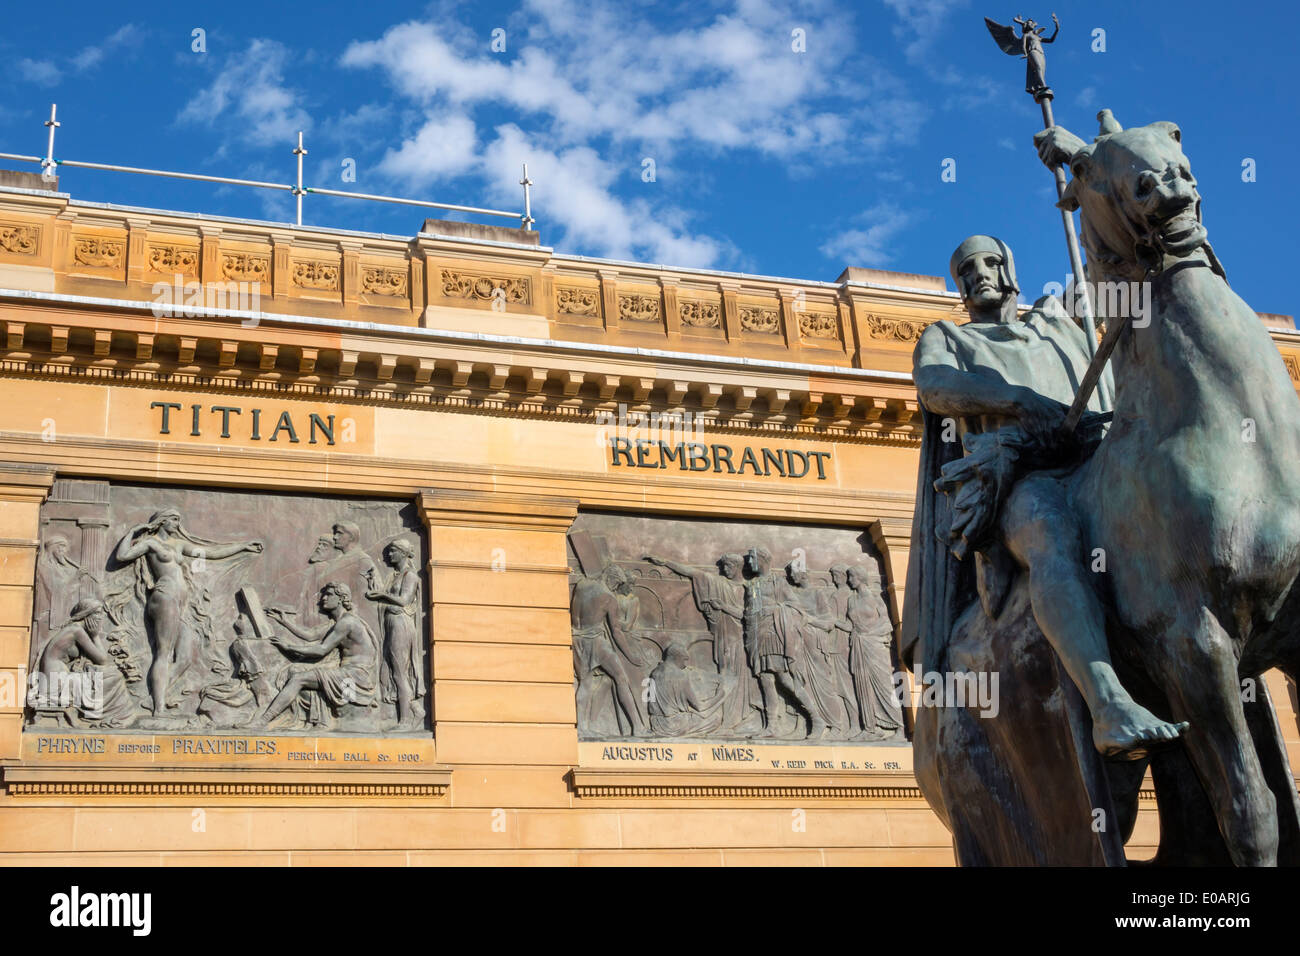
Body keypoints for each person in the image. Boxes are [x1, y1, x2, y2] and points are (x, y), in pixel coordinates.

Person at [903, 235, 1185, 757]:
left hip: (1098, 457)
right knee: (1050, 533)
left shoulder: (1062, 322)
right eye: (965, 269)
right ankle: (1109, 705)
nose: (978, 274)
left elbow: (1116, 270)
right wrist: (1018, 401)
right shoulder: (945, 336)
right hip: (1020, 476)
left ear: (1010, 267)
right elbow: (934, 387)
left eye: (990, 261)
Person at [113, 508, 262, 716]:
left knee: (185, 658)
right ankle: (159, 709)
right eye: (174, 519)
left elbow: (210, 553)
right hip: (164, 596)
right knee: (163, 654)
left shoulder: (179, 545)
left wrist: (242, 547)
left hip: (180, 603)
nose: (178, 524)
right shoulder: (151, 544)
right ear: (162, 522)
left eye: (178, 520)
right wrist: (134, 531)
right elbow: (122, 555)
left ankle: (154, 697)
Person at [643, 552, 752, 732]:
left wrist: (723, 607)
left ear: (739, 566)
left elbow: (747, 616)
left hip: (739, 640)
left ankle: (734, 719)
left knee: (736, 676)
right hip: (724, 638)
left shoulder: (748, 589)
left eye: (729, 566)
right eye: (723, 566)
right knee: (725, 673)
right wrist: (667, 561)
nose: (725, 569)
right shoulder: (719, 583)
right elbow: (695, 573)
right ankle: (727, 718)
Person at [254, 583, 378, 727]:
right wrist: (285, 622)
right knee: (297, 670)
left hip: (355, 675)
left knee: (298, 679)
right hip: (347, 672)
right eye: (324, 595)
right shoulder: (337, 622)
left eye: (329, 594)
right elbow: (311, 636)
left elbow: (322, 650)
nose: (323, 598)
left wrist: (288, 647)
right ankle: (318, 721)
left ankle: (263, 721)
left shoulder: (346, 622)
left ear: (341, 599)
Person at [743, 548, 825, 739]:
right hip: (758, 636)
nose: (749, 564)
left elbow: (794, 606)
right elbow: (751, 609)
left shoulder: (778, 582)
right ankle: (772, 726)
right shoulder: (753, 585)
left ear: (763, 559)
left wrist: (774, 610)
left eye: (752, 559)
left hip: (775, 633)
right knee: (766, 680)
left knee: (785, 679)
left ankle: (816, 718)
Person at [571, 565, 650, 736]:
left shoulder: (582, 585)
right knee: (621, 678)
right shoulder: (608, 598)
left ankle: (583, 728)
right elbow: (616, 632)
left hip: (576, 639)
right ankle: (638, 727)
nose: (615, 588)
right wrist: (630, 656)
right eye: (616, 584)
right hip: (596, 641)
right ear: (611, 578)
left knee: (585, 682)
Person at [32, 598, 136, 727]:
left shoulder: (75, 629)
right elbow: (102, 660)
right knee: (114, 677)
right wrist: (95, 636)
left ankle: (113, 716)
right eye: (98, 613)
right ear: (87, 614)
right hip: (56, 682)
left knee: (111, 675)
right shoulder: (76, 630)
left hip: (57, 677)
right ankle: (115, 717)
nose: (101, 617)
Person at [366, 538, 423, 730]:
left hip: (401, 624)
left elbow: (404, 600)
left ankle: (405, 721)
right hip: (392, 624)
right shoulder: (396, 575)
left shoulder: (410, 576)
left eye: (392, 551)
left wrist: (382, 595)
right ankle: (416, 710)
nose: (389, 555)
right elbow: (386, 594)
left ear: (403, 553)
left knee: (399, 672)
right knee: (393, 670)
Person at [847, 566, 903, 740]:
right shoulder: (851, 600)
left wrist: (869, 634)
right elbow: (850, 625)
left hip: (875, 645)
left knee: (884, 686)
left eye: (852, 577)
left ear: (861, 577)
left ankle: (899, 726)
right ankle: (870, 728)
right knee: (863, 686)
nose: (849, 580)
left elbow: (886, 623)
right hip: (859, 644)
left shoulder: (875, 598)